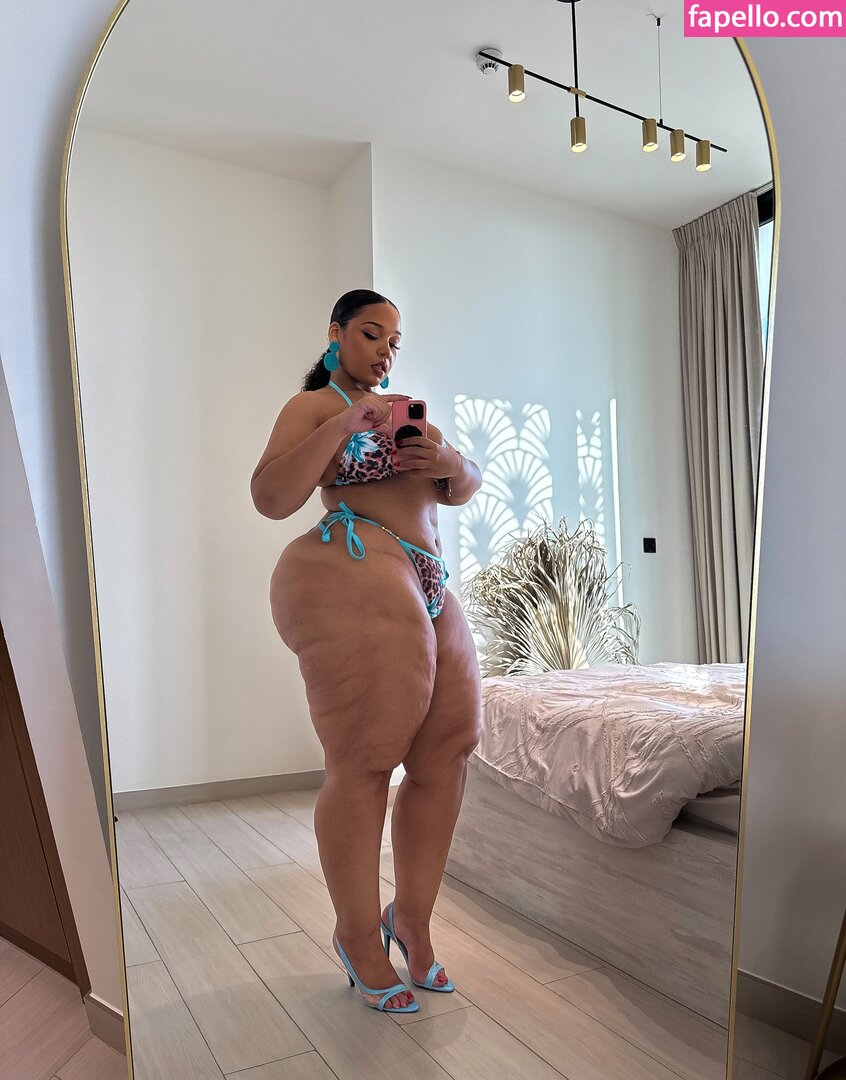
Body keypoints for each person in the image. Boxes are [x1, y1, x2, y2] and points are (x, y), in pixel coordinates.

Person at [251, 289, 483, 1014]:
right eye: (372, 334)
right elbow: (271, 495)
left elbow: (462, 488)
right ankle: (355, 933)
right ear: (337, 333)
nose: (385, 351)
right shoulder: (314, 405)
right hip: (362, 564)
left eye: (394, 341)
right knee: (366, 754)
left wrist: (446, 458)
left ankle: (409, 920)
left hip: (430, 580)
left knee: (447, 750)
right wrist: (343, 426)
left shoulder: (405, 409)